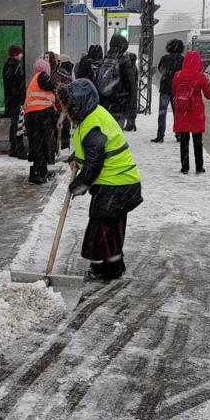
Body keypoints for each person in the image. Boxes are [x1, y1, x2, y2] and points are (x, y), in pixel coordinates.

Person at [59, 78, 142, 280]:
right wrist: (75, 159)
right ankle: (112, 265)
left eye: (68, 107)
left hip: (118, 183)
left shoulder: (92, 123)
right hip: (117, 183)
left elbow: (94, 165)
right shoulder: (92, 117)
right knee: (108, 227)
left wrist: (77, 186)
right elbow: (91, 152)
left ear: (78, 105)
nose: (65, 111)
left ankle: (112, 268)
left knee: (106, 228)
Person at [172, 50, 210, 175]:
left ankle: (185, 167)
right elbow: (209, 95)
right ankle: (199, 167)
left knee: (184, 140)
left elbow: (174, 91)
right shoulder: (200, 76)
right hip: (196, 111)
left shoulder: (178, 75)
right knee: (197, 141)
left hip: (182, 109)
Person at [23, 57, 57, 184]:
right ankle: (37, 173)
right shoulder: (42, 76)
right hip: (39, 115)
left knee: (39, 144)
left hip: (35, 116)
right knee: (41, 144)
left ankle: (40, 171)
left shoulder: (36, 79)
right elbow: (54, 85)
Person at [96, 33, 136, 130]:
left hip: (104, 104)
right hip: (119, 104)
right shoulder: (124, 61)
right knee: (117, 135)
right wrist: (132, 111)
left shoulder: (104, 60)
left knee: (106, 134)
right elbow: (131, 86)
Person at [151, 39, 185, 143]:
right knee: (178, 113)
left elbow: (161, 70)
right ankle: (179, 135)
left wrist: (168, 75)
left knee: (162, 113)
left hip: (165, 88)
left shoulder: (164, 58)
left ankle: (160, 135)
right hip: (178, 89)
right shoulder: (183, 59)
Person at [2, 44, 26, 159]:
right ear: (15, 54)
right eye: (20, 53)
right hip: (15, 101)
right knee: (18, 126)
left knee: (14, 125)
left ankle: (13, 149)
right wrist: (21, 97)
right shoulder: (13, 66)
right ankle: (19, 151)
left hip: (11, 101)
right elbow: (14, 86)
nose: (22, 55)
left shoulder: (11, 65)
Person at [53, 54, 75, 150]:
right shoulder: (68, 74)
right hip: (67, 106)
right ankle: (65, 148)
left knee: (58, 129)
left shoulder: (57, 74)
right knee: (65, 129)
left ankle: (58, 148)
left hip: (58, 106)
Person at [124, 52, 138, 131]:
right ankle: (133, 123)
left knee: (128, 107)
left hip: (129, 90)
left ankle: (129, 124)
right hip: (134, 89)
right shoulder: (135, 68)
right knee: (133, 106)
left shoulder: (129, 68)